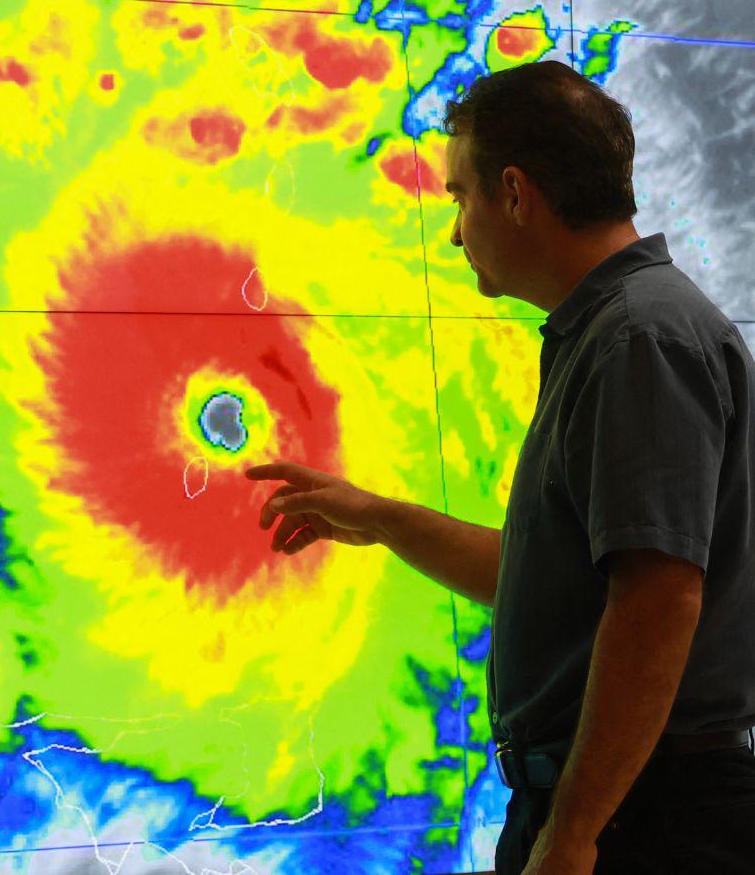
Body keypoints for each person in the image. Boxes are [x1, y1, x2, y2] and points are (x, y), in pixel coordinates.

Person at [247, 60, 755, 875]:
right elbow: (553, 585)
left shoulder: (638, 339)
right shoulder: (612, 332)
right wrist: (379, 517)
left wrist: (574, 834)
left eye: (459, 196)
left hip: (642, 822)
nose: (454, 233)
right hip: (620, 809)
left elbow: (658, 597)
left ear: (515, 194)